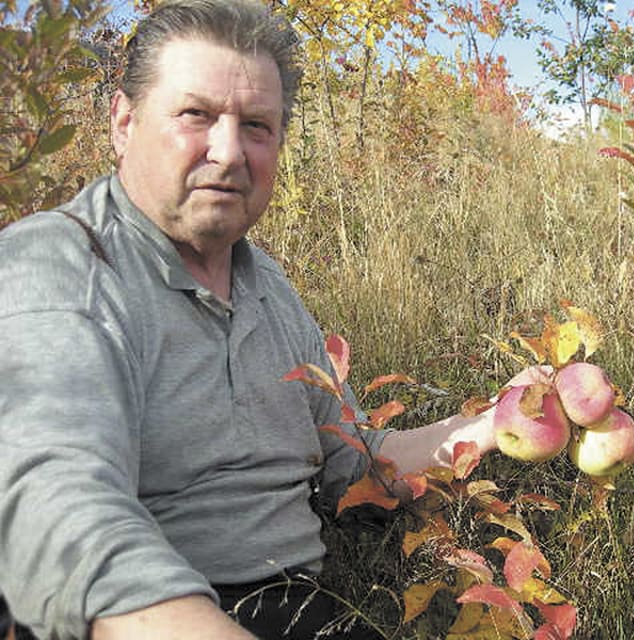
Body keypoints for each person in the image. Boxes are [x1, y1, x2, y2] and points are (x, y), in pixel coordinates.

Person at [0, 1, 534, 638]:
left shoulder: (265, 284)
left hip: (300, 607)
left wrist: (497, 421)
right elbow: (54, 511)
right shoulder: (59, 266)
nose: (229, 153)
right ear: (124, 122)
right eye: (195, 115)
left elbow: (357, 464)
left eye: (256, 125)